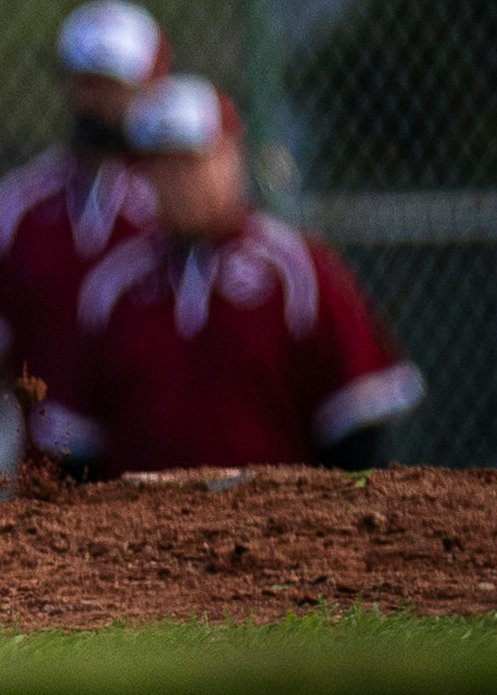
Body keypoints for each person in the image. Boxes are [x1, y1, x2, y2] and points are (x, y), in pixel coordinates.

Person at [38, 77, 425, 479]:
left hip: (281, 529)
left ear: (231, 156)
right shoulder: (111, 287)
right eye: (160, 164)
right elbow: (77, 445)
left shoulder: (298, 270)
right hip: (142, 533)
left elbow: (358, 421)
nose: (175, 182)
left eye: (190, 161)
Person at [0, 0, 167, 483]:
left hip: (159, 479)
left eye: (113, 86)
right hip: (47, 481)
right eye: (84, 83)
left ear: (151, 89)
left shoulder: (173, 206)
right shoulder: (20, 206)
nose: (96, 102)